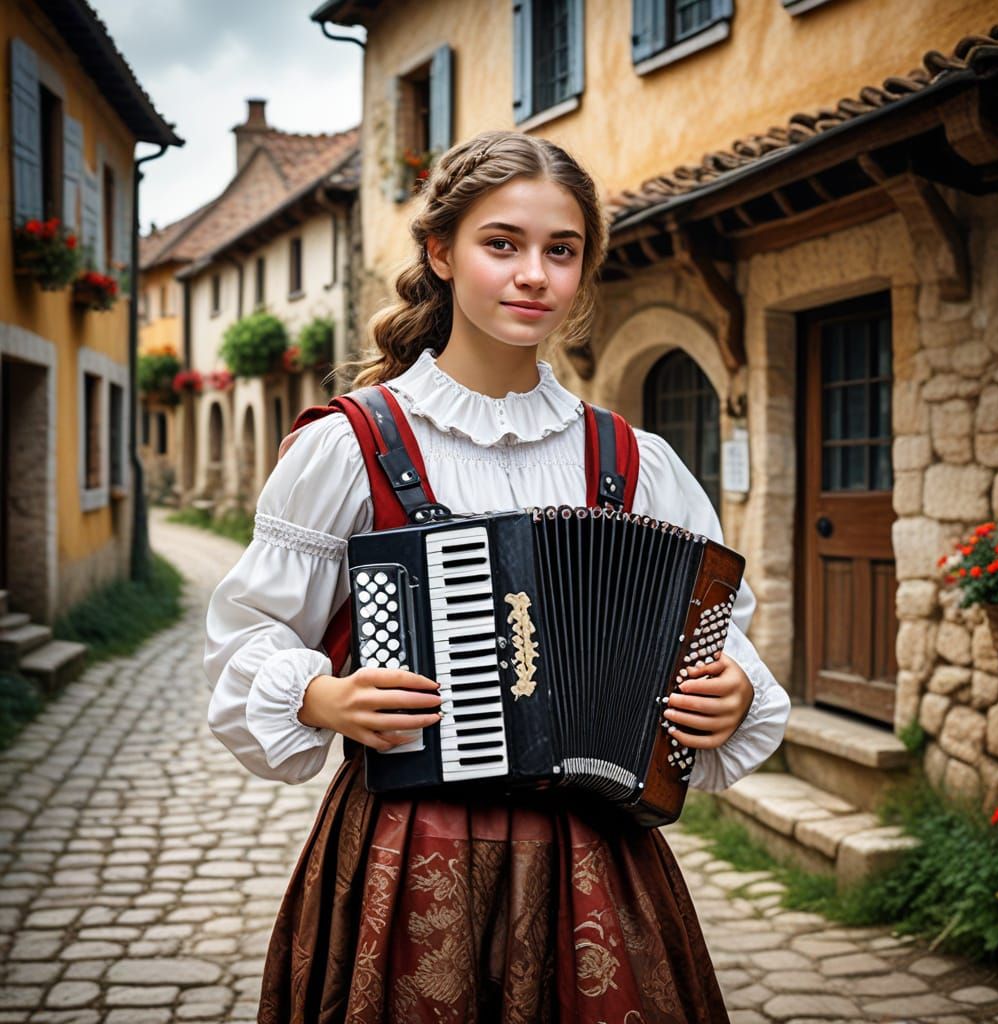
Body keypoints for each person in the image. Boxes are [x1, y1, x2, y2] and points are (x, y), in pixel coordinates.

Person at [205, 129, 791, 1023]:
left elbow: (719, 635)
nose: (534, 276)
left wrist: (733, 690)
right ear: (441, 253)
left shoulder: (637, 461)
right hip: (407, 850)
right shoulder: (351, 447)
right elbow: (247, 635)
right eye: (502, 244)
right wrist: (319, 699)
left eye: (562, 251)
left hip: (594, 857)